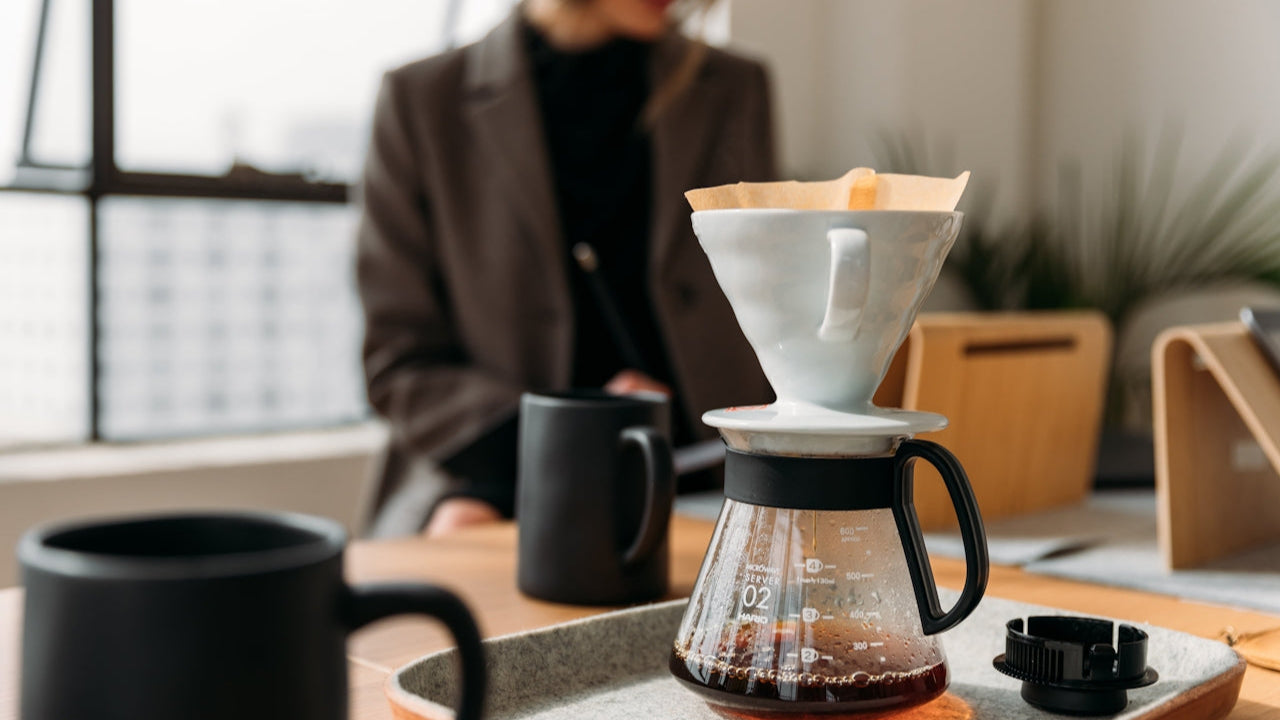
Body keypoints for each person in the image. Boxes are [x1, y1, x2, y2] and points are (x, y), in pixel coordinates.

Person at [356, 0, 775, 538]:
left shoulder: (734, 88)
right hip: (500, 463)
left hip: (701, 460)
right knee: (464, 534)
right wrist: (578, 424)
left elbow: (769, 303)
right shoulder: (423, 100)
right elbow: (399, 364)